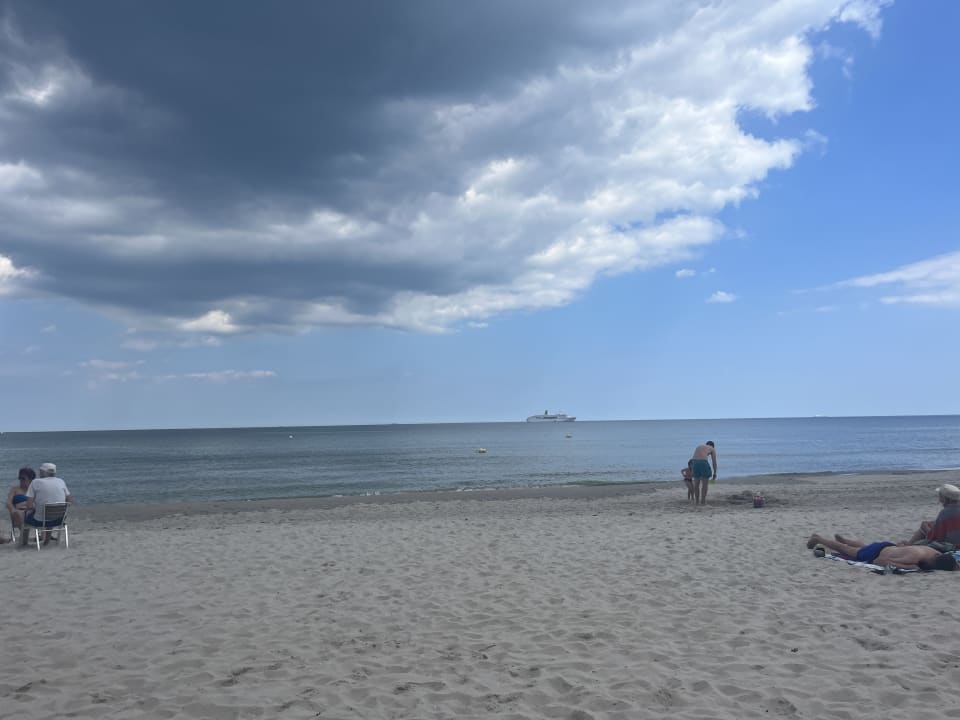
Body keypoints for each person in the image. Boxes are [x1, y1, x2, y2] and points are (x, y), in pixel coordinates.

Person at [806, 533, 958, 571]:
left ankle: (846, 539)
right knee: (845, 550)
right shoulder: (914, 558)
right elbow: (879, 562)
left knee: (863, 547)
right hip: (877, 554)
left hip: (888, 547)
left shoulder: (932, 551)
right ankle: (819, 539)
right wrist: (908, 567)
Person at [22, 462, 74, 546]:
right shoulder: (61, 481)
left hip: (40, 520)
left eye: (40, 471)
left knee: (27, 516)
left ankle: (24, 543)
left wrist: (34, 507)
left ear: (43, 472)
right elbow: (70, 500)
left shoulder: (36, 482)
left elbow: (29, 505)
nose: (39, 473)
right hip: (59, 520)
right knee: (51, 513)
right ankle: (47, 541)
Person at [4, 467, 36, 544]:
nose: (20, 480)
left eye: (23, 478)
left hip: (32, 512)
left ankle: (27, 535)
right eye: (20, 478)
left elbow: (39, 502)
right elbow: (8, 502)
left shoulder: (35, 490)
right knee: (16, 513)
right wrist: (12, 509)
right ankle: (24, 534)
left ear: (31, 479)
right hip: (19, 512)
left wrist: (24, 503)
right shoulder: (15, 489)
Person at [690, 441, 717, 505]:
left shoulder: (699, 446)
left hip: (694, 462)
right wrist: (715, 473)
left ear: (706, 444)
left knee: (696, 484)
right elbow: (714, 462)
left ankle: (696, 501)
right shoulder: (712, 449)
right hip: (703, 462)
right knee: (705, 484)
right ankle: (703, 501)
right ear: (713, 446)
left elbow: (693, 458)